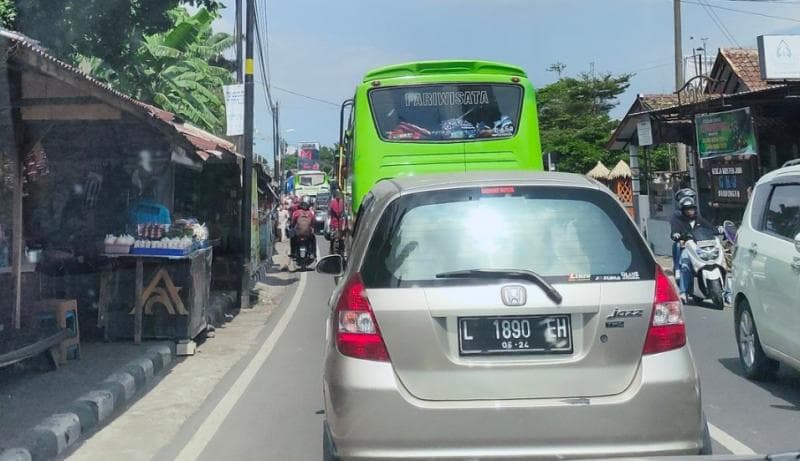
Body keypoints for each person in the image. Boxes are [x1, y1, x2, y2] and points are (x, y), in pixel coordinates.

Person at [670, 188, 714, 303]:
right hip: (687, 247)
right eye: (687, 209)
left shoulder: (698, 218)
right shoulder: (677, 218)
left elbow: (709, 227)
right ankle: (683, 292)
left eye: (692, 209)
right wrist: (677, 235)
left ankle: (727, 292)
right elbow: (674, 231)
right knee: (685, 262)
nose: (690, 211)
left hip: (701, 246)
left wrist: (717, 229)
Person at [328, 188, 345, 254]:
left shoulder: (341, 202)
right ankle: (332, 253)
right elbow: (337, 212)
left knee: (341, 239)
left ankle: (341, 252)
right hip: (335, 225)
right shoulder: (333, 202)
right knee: (334, 239)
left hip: (340, 225)